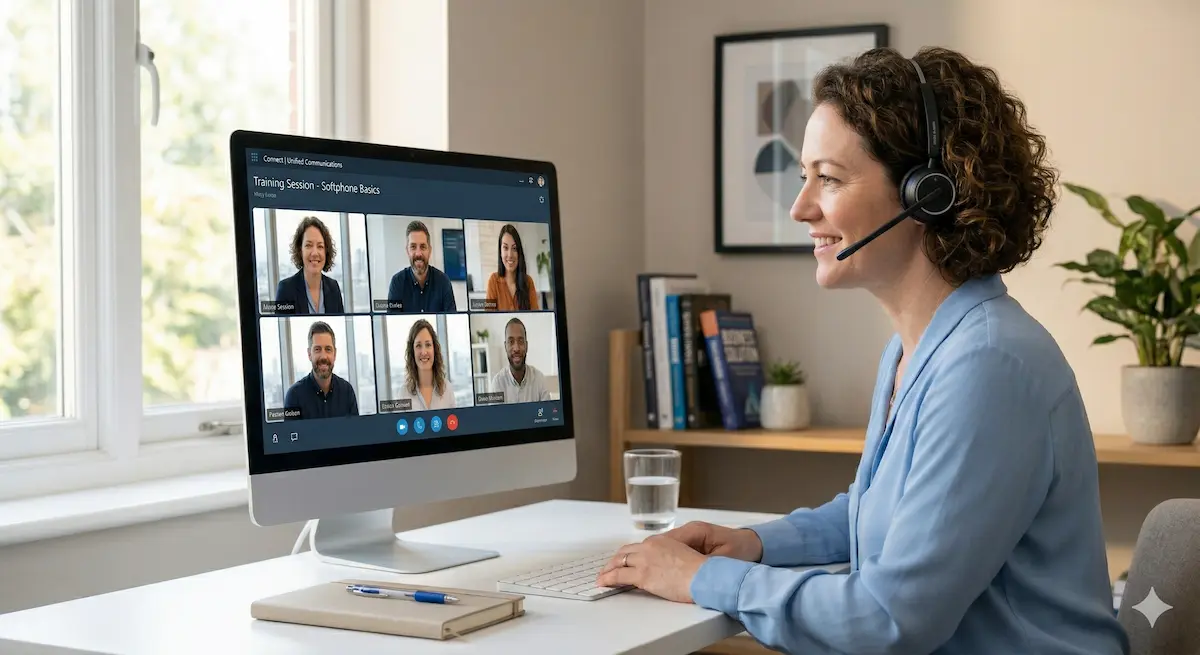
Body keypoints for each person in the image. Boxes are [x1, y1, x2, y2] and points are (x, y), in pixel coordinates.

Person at [596, 46, 1129, 655]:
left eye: (828, 178)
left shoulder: (987, 366)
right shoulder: (913, 351)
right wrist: (755, 544)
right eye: (804, 177)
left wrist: (704, 579)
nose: (801, 208)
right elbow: (878, 513)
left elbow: (888, 619)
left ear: (927, 193)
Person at [284, 321, 359, 418]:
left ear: (335, 354)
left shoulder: (347, 391)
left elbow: (355, 428)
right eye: (317, 349)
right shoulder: (294, 396)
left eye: (328, 349)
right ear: (309, 354)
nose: (323, 356)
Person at [274, 216, 345, 314]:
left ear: (326, 251)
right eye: (308, 245)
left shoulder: (334, 287)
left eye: (320, 246)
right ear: (300, 250)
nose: (315, 253)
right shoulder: (285, 289)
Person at [386, 220, 457, 313]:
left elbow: (452, 317)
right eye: (413, 247)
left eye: (423, 247)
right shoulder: (397, 283)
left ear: (429, 250)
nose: (418, 253)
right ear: (407, 251)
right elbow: (392, 318)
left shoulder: (443, 281)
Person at [395, 318, 456, 411]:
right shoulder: (403, 393)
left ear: (434, 349)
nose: (424, 352)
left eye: (428, 345)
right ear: (412, 352)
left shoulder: (447, 389)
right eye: (418, 346)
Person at [488, 317, 552, 403]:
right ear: (505, 346)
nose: (516, 348)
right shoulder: (497, 384)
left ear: (526, 345)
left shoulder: (539, 379)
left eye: (521, 341)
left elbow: (548, 411)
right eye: (511, 342)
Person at [484, 224, 540, 311]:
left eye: (514, 248)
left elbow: (535, 316)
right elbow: (488, 316)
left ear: (519, 253)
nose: (510, 255)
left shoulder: (528, 282)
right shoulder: (493, 281)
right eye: (505, 248)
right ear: (500, 252)